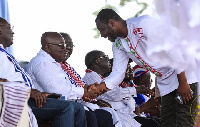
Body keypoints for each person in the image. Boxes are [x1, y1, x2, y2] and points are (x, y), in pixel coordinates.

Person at [94, 8, 198, 127]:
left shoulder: (144, 24)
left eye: (102, 29)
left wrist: (183, 82)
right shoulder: (118, 44)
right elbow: (118, 72)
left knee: (184, 120)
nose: (102, 35)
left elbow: (173, 49)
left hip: (186, 70)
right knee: (168, 122)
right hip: (166, 80)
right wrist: (99, 87)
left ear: (111, 22)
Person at [0, 17, 86, 127]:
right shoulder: (41, 62)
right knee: (66, 107)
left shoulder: (4, 53)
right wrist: (29, 91)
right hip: (15, 98)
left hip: (26, 96)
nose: (13, 31)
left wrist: (37, 92)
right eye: (9, 27)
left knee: (77, 108)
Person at [25, 32, 113, 127]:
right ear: (48, 47)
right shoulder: (41, 63)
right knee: (82, 112)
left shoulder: (54, 63)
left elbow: (67, 85)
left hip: (57, 100)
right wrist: (83, 92)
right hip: (40, 102)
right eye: (61, 45)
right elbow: (55, 89)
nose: (65, 48)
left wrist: (86, 89)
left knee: (94, 114)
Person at [83, 50, 160, 127]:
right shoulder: (90, 77)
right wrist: (135, 90)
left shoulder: (101, 78)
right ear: (98, 61)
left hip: (127, 115)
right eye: (106, 57)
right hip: (118, 116)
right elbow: (113, 94)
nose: (108, 60)